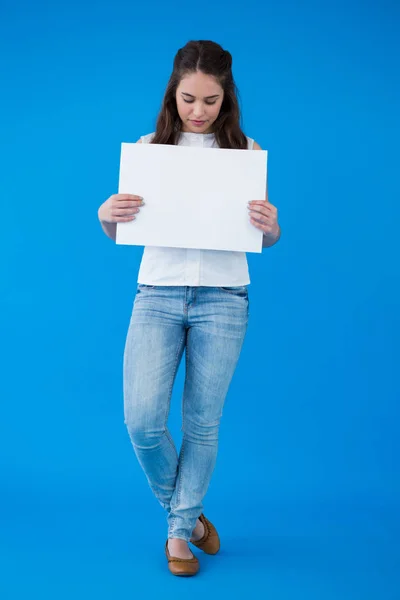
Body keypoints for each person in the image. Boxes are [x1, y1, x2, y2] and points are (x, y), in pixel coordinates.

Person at [97, 40, 281, 577]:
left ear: (227, 99)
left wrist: (272, 228)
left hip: (224, 298)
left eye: (210, 100)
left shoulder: (246, 153)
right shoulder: (149, 148)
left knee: (202, 424)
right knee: (142, 421)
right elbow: (121, 229)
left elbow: (261, 238)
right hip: (157, 293)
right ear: (172, 94)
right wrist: (107, 213)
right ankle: (194, 517)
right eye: (188, 99)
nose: (198, 111)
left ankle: (178, 535)